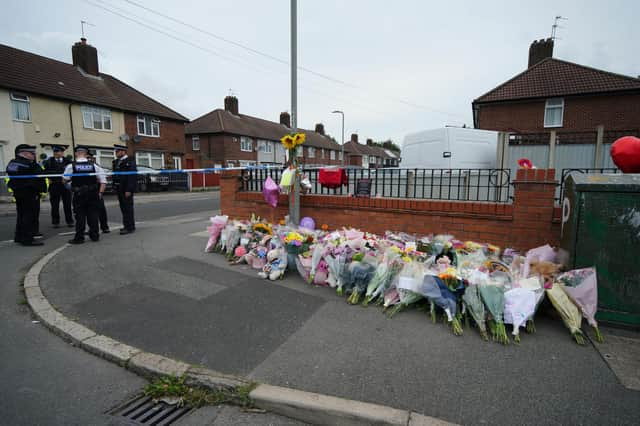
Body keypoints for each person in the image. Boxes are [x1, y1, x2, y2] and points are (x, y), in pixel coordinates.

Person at [5, 144, 47, 246]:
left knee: (21, 215)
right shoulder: (29, 165)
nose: (34, 155)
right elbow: (40, 174)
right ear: (24, 153)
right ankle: (27, 239)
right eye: (32, 153)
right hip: (29, 193)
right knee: (29, 216)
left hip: (19, 193)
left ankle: (19, 236)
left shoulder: (13, 163)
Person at [63, 146, 106, 244]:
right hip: (93, 194)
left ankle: (79, 238)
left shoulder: (71, 166)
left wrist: (70, 183)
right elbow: (103, 181)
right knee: (93, 215)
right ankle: (95, 236)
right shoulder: (94, 166)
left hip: (79, 195)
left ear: (76, 154)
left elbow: (64, 180)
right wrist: (100, 193)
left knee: (80, 216)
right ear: (86, 154)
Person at [42, 145, 73, 228]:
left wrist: (69, 180)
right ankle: (55, 222)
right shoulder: (49, 161)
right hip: (54, 185)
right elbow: (45, 172)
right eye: (56, 152)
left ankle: (69, 221)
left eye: (60, 152)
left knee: (68, 204)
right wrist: (51, 177)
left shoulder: (68, 161)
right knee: (55, 205)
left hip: (65, 185)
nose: (58, 153)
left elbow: (72, 172)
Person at [112, 144, 137, 235]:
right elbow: (115, 175)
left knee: (128, 208)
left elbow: (132, 177)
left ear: (123, 151)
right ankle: (126, 225)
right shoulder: (116, 162)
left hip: (126, 189)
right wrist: (114, 186)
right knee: (123, 208)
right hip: (119, 188)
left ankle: (130, 227)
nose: (116, 153)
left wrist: (129, 190)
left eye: (117, 152)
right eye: (116, 152)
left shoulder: (130, 161)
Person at [86, 150, 110, 233]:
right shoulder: (81, 167)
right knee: (89, 212)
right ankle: (92, 228)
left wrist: (100, 193)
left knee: (101, 210)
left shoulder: (96, 167)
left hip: (96, 191)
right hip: (86, 192)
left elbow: (103, 181)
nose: (88, 159)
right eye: (87, 158)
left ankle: (104, 227)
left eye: (89, 158)